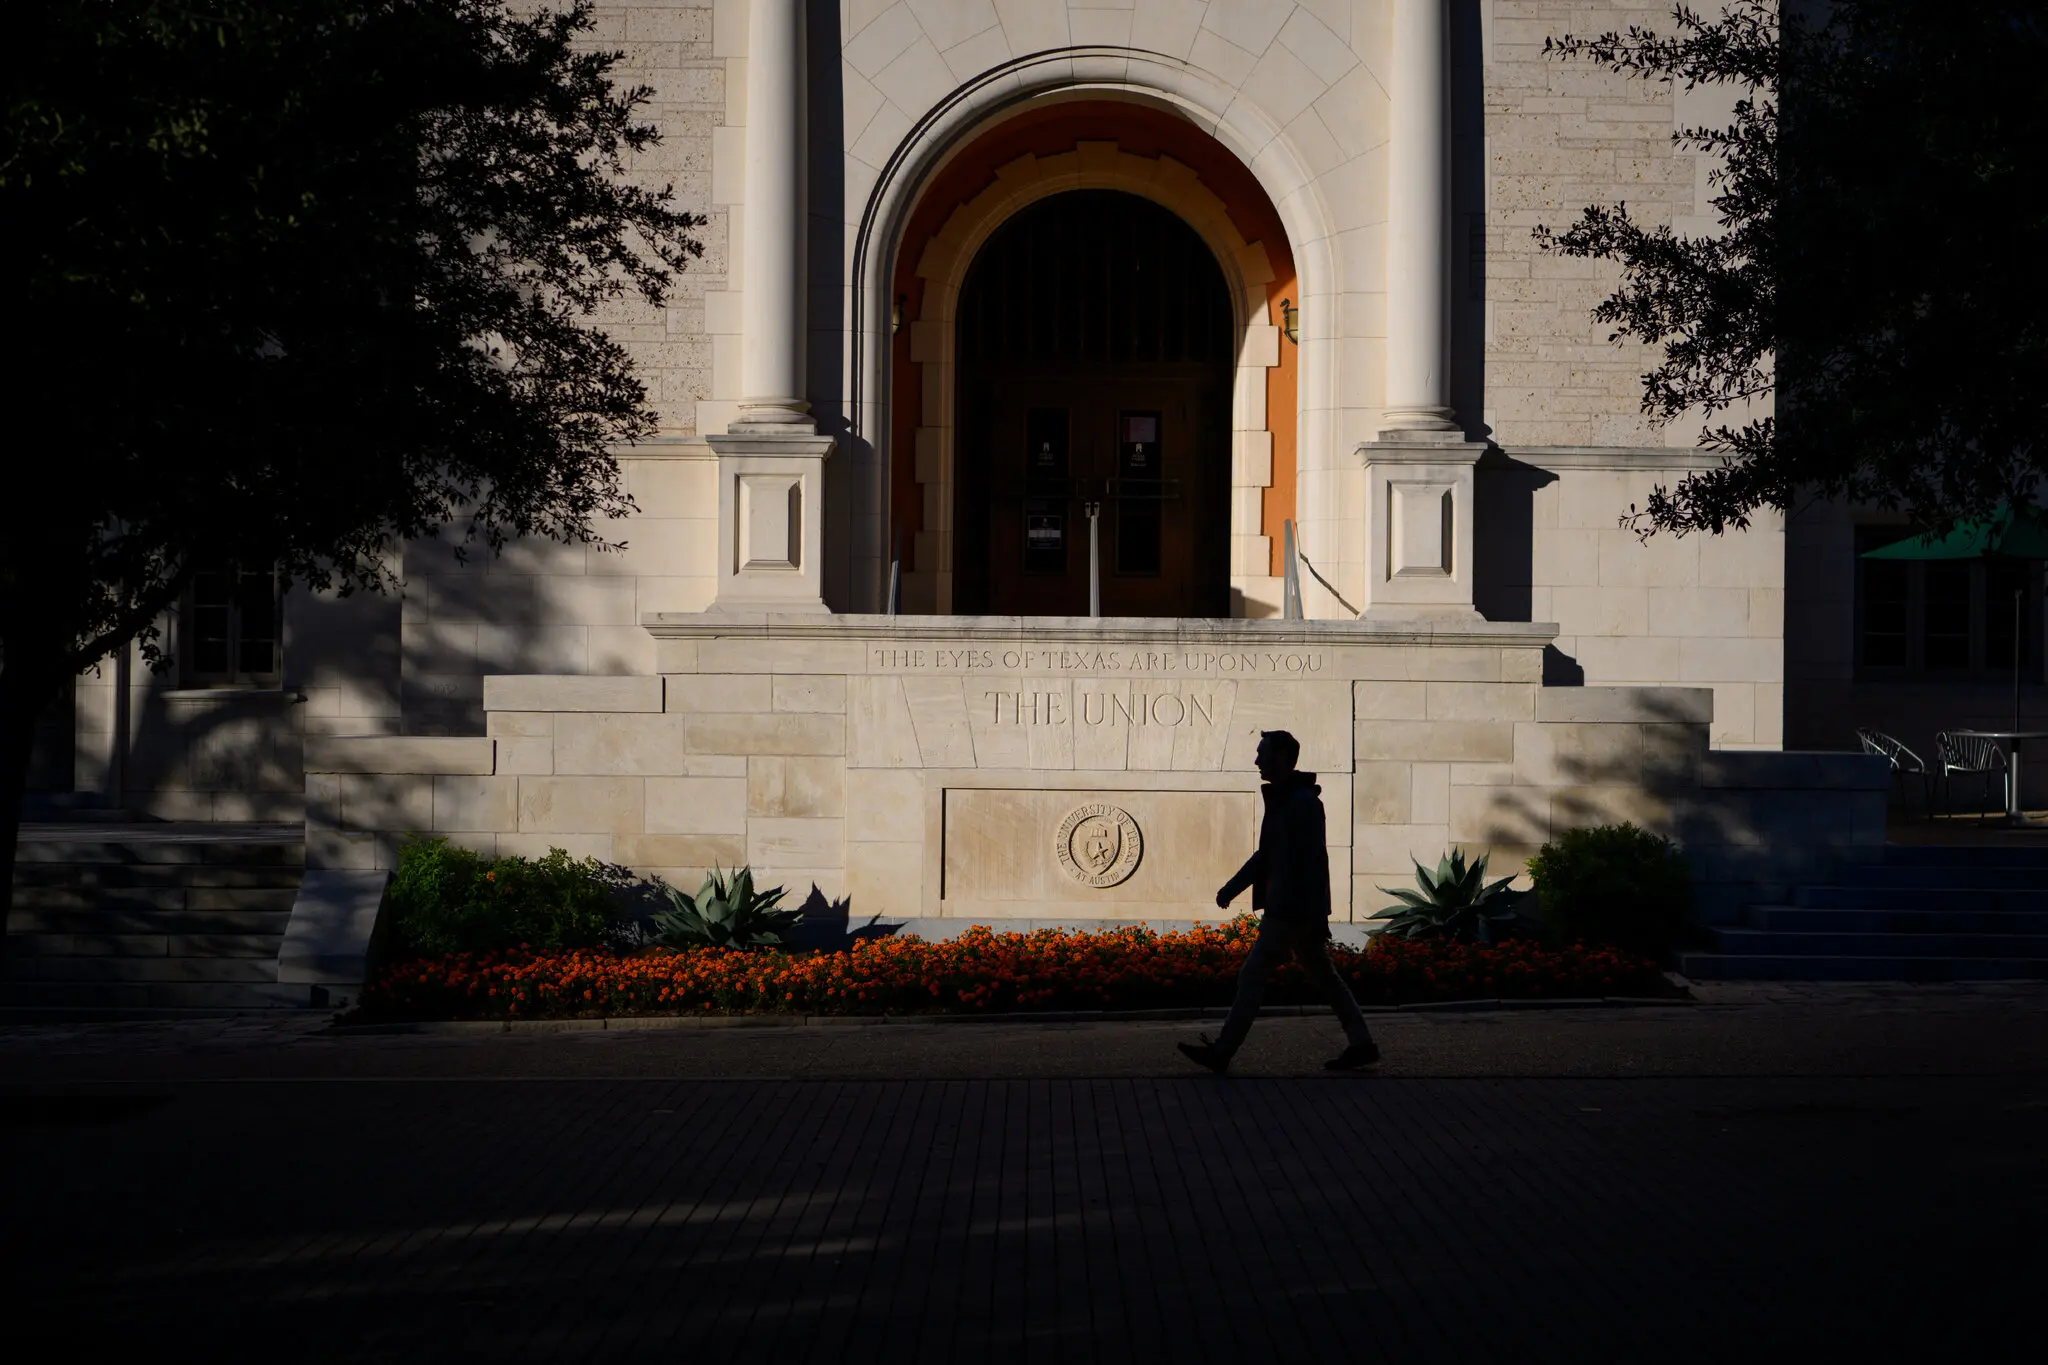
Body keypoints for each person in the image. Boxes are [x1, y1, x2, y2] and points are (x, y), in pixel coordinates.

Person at [1178, 729, 1380, 1073]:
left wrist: (1314, 916)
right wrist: (1232, 888)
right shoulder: (1289, 800)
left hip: (1290, 911)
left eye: (1263, 753)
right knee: (1324, 978)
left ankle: (1223, 1052)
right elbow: (1269, 855)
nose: (1257, 760)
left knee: (1253, 976)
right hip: (1294, 910)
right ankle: (1361, 1043)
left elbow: (1312, 862)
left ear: (1282, 757)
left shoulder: (1300, 803)